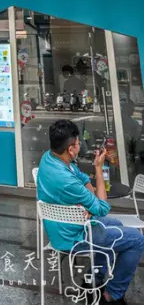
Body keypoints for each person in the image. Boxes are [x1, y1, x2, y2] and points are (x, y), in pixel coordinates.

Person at [37, 119, 144, 304]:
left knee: (116, 224)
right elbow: (102, 209)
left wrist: (88, 201)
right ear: (71, 149)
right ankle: (112, 295)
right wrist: (98, 168)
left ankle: (93, 279)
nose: (81, 146)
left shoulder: (49, 158)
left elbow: (83, 178)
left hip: (61, 227)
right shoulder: (67, 181)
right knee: (137, 239)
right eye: (79, 143)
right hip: (73, 237)